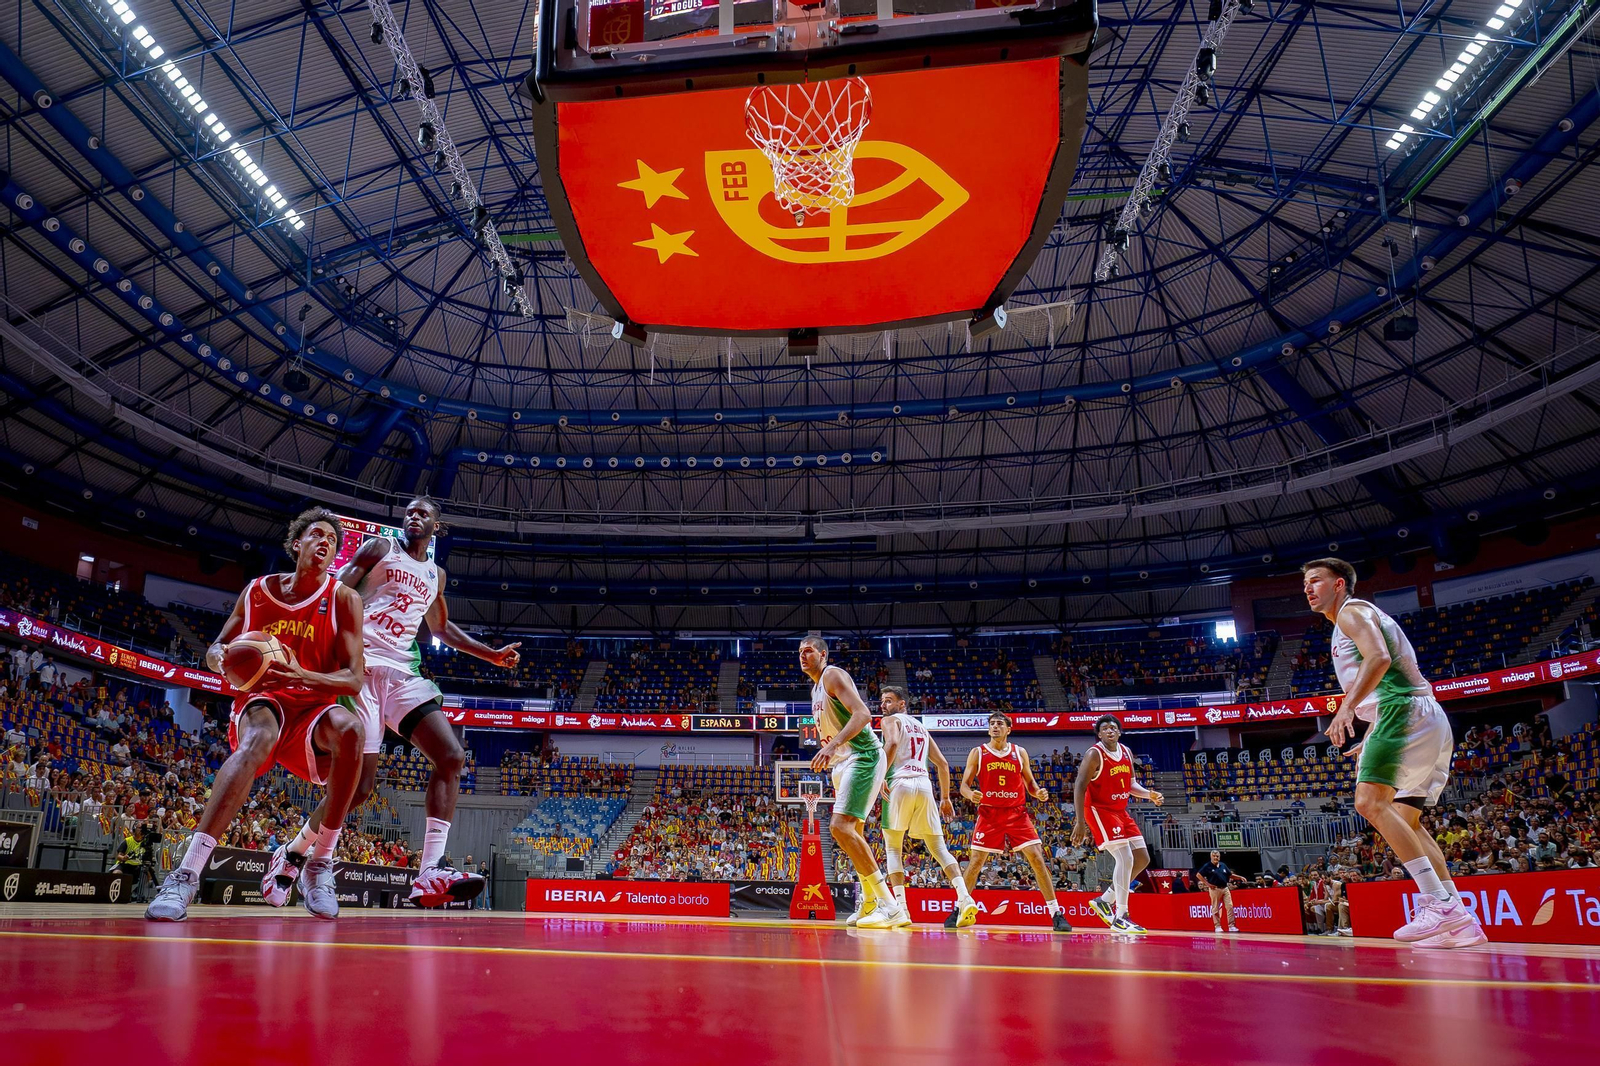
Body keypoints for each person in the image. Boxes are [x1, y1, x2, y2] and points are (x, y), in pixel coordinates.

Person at [268, 497, 518, 908]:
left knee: (452, 756)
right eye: (409, 512)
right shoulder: (379, 549)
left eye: (422, 513)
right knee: (360, 789)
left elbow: (441, 626)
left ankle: (430, 873)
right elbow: (334, 592)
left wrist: (488, 654)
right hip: (361, 668)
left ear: (436, 526)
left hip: (402, 673)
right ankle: (295, 852)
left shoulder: (435, 575)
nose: (413, 517)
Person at [145, 508, 367, 922]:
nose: (325, 543)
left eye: (332, 541)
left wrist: (302, 673)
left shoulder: (343, 598)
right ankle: (186, 874)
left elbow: (353, 679)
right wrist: (216, 656)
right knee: (258, 740)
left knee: (352, 730)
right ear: (296, 543)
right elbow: (221, 644)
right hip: (264, 700)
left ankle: (318, 864)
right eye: (316, 535)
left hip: (314, 703)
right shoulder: (258, 591)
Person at [1305, 557, 1485, 948]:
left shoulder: (1351, 611)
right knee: (1410, 821)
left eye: (1316, 580)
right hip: (1423, 714)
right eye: (1306, 582)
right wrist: (1371, 736)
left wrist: (1347, 707)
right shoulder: (1349, 621)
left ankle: (1438, 903)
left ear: (1339, 585)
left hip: (1401, 710)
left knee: (1369, 803)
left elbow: (1380, 659)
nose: (1308, 588)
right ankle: (1461, 923)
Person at [800, 635, 906, 929]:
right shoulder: (815, 689)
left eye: (808, 651)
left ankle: (890, 905)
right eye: (799, 652)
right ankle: (870, 901)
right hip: (844, 762)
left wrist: (832, 745)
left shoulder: (832, 674)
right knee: (853, 835)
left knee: (839, 827)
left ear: (822, 655)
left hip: (861, 756)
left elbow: (863, 714)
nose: (802, 656)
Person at [950, 711, 1072, 932]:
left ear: (1008, 729)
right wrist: (970, 795)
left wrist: (1039, 793)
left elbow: (1031, 784)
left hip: (1017, 814)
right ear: (988, 729)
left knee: (1036, 858)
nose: (995, 727)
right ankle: (959, 908)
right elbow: (964, 786)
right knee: (976, 862)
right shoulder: (978, 752)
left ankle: (1056, 913)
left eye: (999, 724)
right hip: (989, 814)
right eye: (992, 724)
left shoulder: (1019, 752)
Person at [877, 684, 977, 926]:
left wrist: (879, 775)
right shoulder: (922, 727)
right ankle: (964, 898)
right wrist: (945, 798)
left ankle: (901, 908)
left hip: (900, 783)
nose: (883, 705)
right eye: (882, 701)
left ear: (902, 704)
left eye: (889, 701)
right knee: (939, 848)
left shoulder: (890, 721)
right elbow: (942, 764)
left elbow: (890, 745)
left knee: (893, 849)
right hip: (924, 785)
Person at [1072, 715, 1164, 934]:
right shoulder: (1095, 754)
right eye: (1105, 728)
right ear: (1099, 734)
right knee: (1126, 857)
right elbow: (1079, 786)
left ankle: (1105, 900)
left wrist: (1148, 794)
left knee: (1142, 858)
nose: (1110, 731)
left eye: (1114, 728)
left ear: (1119, 732)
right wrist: (1080, 822)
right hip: (1098, 810)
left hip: (1119, 810)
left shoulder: (1126, 752)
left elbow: (1130, 783)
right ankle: (1121, 916)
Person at [1196, 849, 1244, 932]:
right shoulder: (1207, 866)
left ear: (1219, 857)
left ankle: (1231, 926)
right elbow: (1198, 875)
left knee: (1230, 906)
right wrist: (1207, 884)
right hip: (1215, 889)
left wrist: (1239, 877)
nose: (1216, 857)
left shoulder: (1223, 865)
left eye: (1217, 856)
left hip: (1225, 888)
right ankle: (1217, 926)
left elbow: (1230, 875)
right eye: (1214, 856)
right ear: (1211, 857)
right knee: (1215, 908)